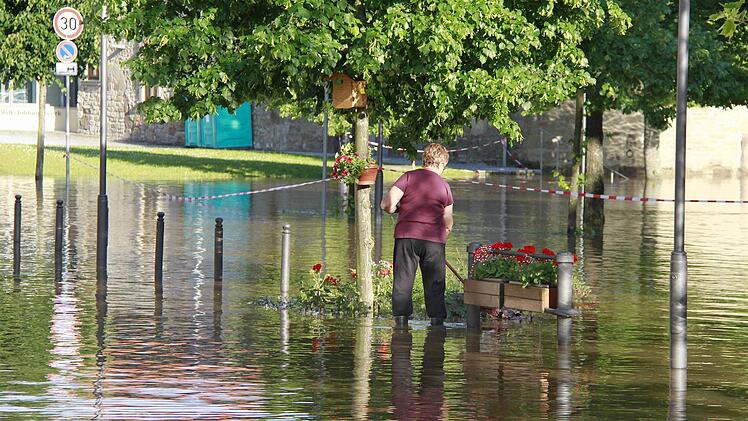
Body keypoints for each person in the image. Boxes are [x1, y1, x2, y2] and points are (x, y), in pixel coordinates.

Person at [380, 143, 453, 327]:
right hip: (434, 241)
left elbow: (387, 205)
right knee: (435, 285)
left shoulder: (408, 177)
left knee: (403, 282)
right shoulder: (445, 187)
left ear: (424, 159)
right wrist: (442, 238)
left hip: (407, 237)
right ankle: (437, 328)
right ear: (442, 163)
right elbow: (448, 221)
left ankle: (401, 327)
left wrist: (398, 209)